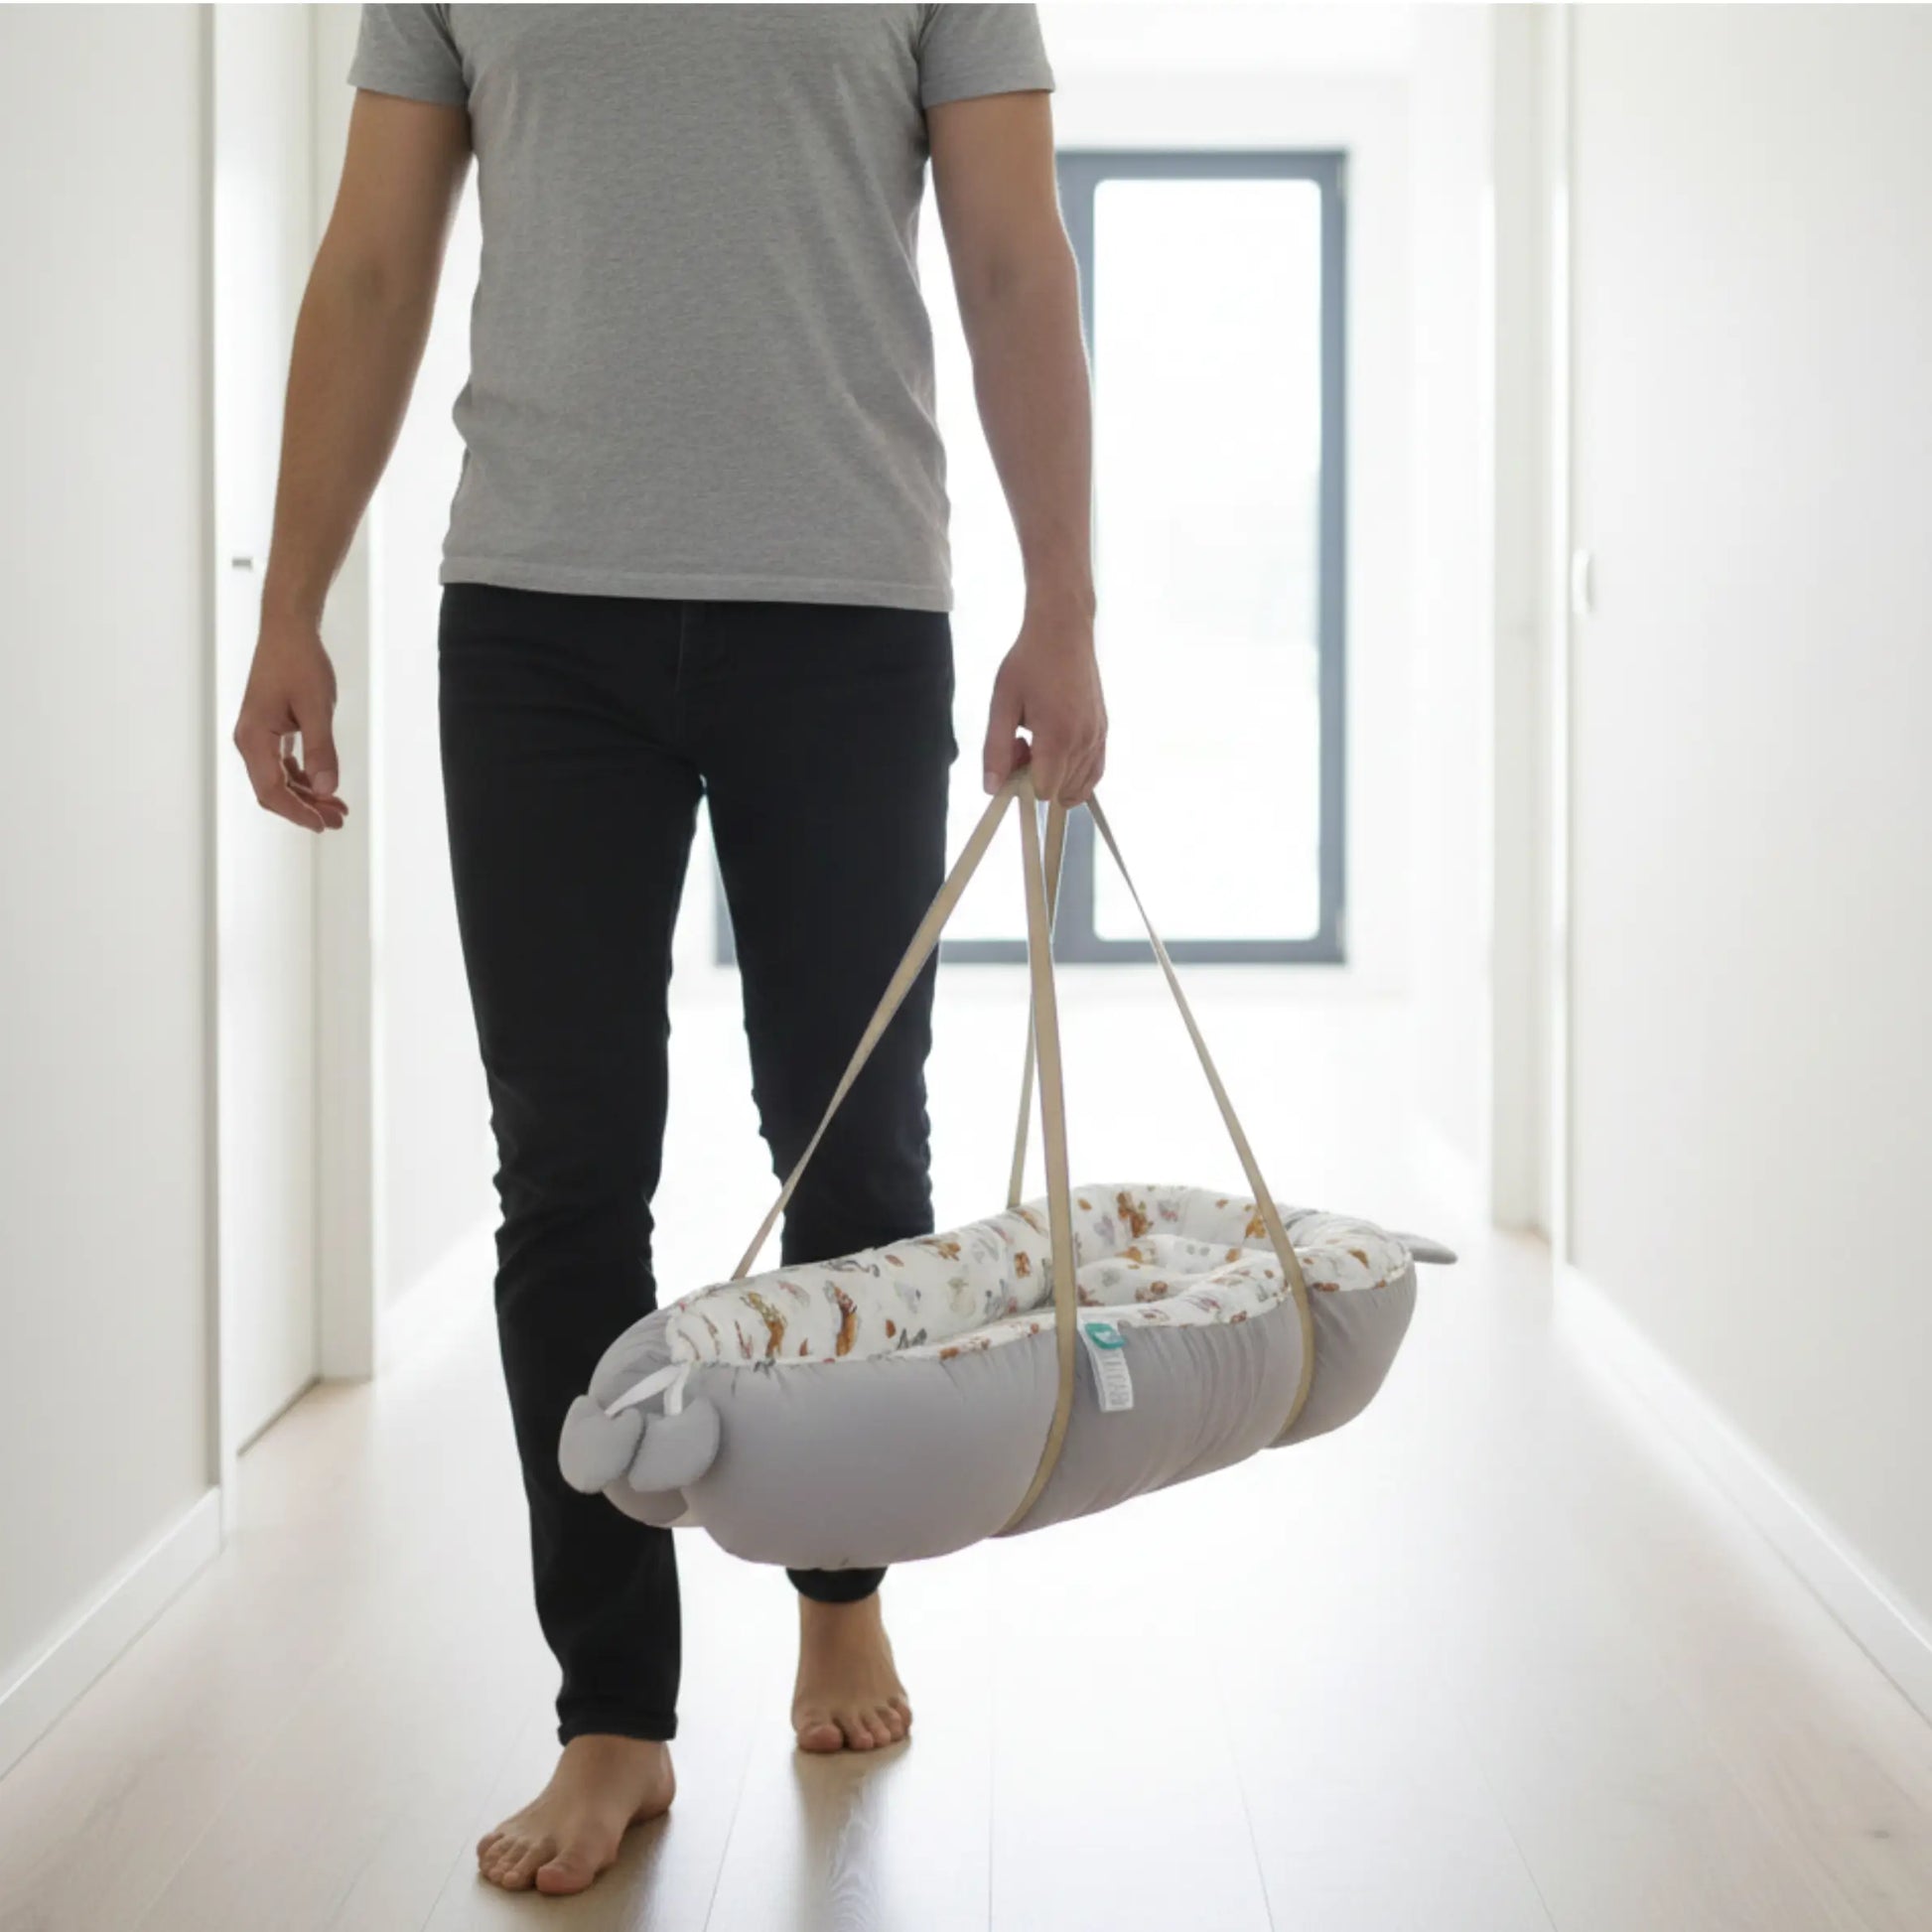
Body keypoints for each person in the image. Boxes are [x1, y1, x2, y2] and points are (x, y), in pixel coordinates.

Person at [230, 1, 1104, 1899]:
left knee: (854, 1141)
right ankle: (609, 1708)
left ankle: (842, 1589)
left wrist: (1065, 602)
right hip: (538, 622)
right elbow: (376, 258)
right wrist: (289, 597)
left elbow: (1013, 254)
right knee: (565, 1172)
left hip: (848, 609)